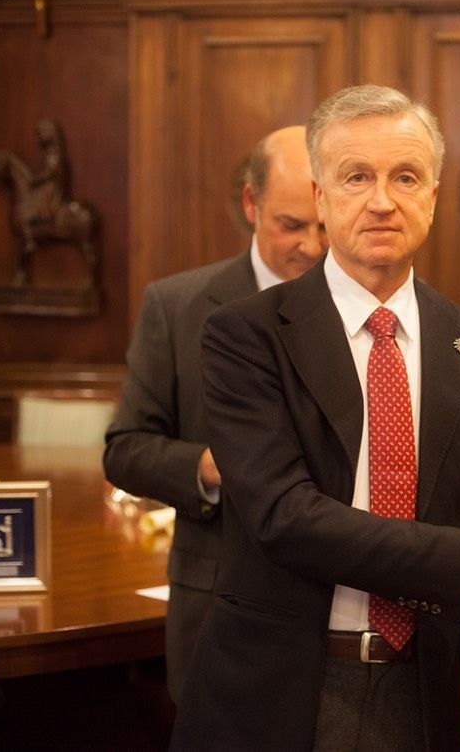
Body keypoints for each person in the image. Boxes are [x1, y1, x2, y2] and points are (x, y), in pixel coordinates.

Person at [170, 84, 460, 751]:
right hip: (279, 692)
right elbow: (284, 518)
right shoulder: (246, 334)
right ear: (322, 198)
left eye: (405, 177)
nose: (383, 200)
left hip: (423, 691)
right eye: (358, 177)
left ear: (434, 196)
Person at [103, 124, 325, 704]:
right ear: (252, 205)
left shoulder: (372, 310)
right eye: (291, 225)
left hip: (337, 609)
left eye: (324, 224)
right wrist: (209, 465)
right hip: (216, 605)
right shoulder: (176, 306)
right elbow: (125, 447)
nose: (313, 245)